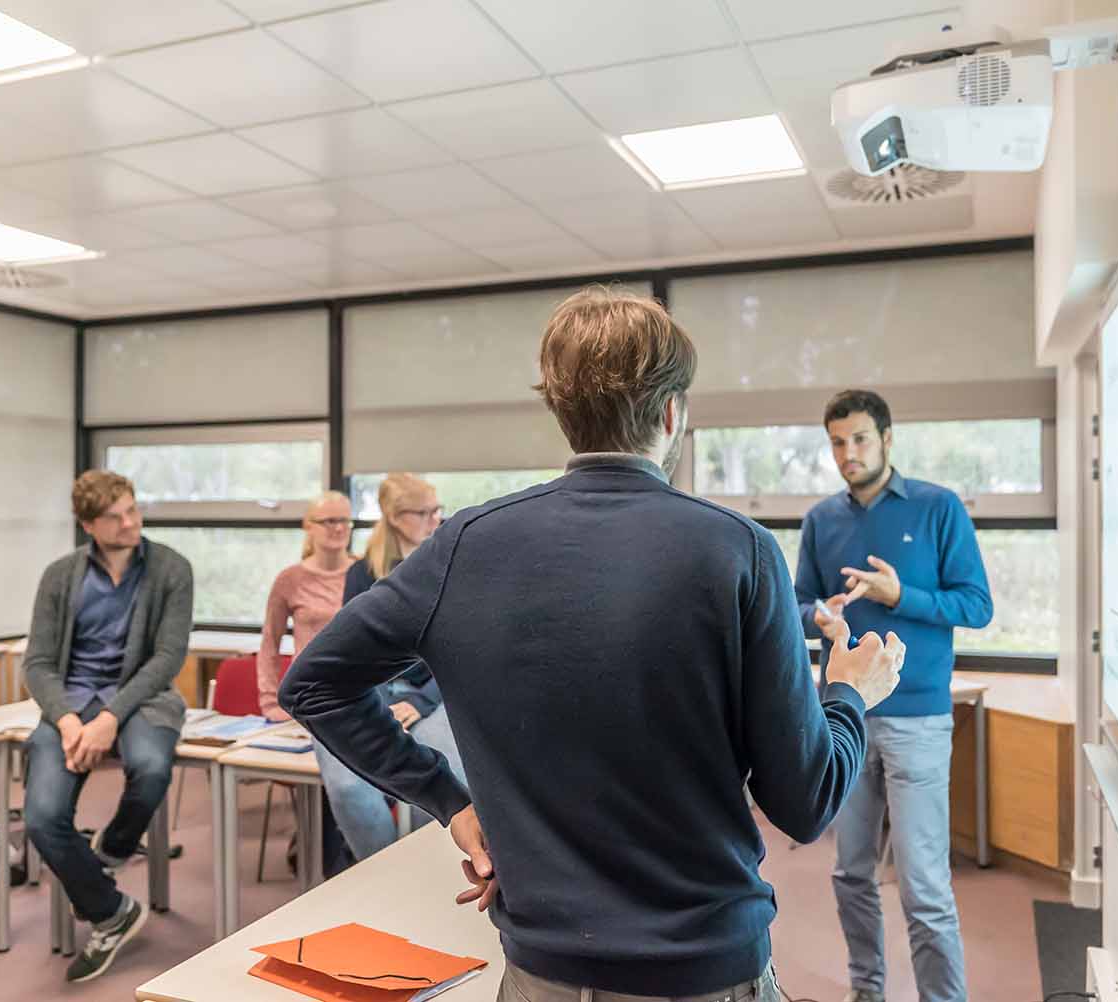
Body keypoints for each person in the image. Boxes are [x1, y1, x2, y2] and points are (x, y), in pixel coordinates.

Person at [281, 286, 904, 1002]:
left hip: (542, 971)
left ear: (561, 411)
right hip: (702, 969)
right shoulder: (738, 552)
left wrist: (446, 800)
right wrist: (851, 692)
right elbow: (806, 799)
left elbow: (313, 683)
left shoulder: (466, 545)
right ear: (672, 414)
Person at [795, 389, 993, 1002]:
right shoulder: (821, 520)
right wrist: (821, 616)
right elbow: (800, 604)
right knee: (849, 874)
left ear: (886, 438)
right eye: (836, 442)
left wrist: (899, 595)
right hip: (845, 717)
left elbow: (976, 606)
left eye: (858, 439)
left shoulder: (938, 508)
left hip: (918, 721)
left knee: (924, 888)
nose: (847, 453)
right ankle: (868, 992)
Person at [20, 470, 193, 983]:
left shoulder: (171, 568)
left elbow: (167, 657)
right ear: (87, 525)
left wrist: (110, 718)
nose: (130, 522)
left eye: (133, 509)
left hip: (143, 699)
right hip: (69, 705)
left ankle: (113, 849)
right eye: (115, 517)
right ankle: (110, 909)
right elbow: (37, 663)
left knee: (151, 766)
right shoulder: (60, 575)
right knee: (40, 816)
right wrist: (72, 720)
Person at [318, 473, 467, 855]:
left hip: (441, 691)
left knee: (441, 779)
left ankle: (425, 869)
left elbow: (461, 649)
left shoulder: (452, 566)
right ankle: (381, 869)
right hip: (377, 690)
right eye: (425, 513)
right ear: (396, 516)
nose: (437, 520)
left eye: (438, 510)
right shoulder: (362, 573)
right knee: (351, 787)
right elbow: (355, 650)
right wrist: (379, 701)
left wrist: (420, 702)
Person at [256, 490, 358, 876]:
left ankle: (342, 858)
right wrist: (270, 701)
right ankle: (329, 863)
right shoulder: (290, 580)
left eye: (345, 521)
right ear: (308, 527)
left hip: (357, 695)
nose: (338, 529)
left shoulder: (365, 571)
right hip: (307, 699)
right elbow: (269, 643)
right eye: (328, 521)